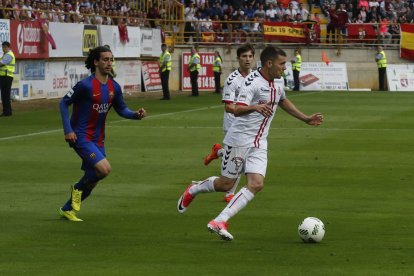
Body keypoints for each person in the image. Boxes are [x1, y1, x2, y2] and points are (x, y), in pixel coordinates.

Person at [177, 45, 324, 241]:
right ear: (269, 63)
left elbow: (282, 101)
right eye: (282, 64)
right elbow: (235, 109)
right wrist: (255, 107)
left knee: (256, 184)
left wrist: (305, 118)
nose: (285, 68)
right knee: (225, 184)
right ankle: (194, 188)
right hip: (239, 139)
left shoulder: (278, 80)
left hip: (260, 142)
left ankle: (220, 220)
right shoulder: (251, 83)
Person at [58, 46, 147, 222]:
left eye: (111, 59)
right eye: (105, 59)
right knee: (104, 169)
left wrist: (135, 115)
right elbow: (63, 103)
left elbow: (122, 109)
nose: (109, 63)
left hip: (98, 139)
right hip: (81, 136)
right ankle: (76, 188)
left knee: (95, 177)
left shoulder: (114, 87)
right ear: (96, 62)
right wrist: (68, 130)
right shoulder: (85, 85)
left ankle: (67, 209)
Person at [204, 44, 255, 203]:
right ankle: (229, 194)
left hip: (249, 125)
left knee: (240, 158)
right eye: (244, 56)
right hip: (233, 123)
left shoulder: (256, 77)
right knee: (238, 160)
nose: (247, 59)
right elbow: (228, 107)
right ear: (238, 59)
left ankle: (218, 152)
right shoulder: (232, 80)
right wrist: (243, 111)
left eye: (250, 56)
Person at [0, 41, 15, 117]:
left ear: (9, 47)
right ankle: (6, 111)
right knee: (4, 95)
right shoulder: (5, 55)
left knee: (5, 95)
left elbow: (2, 63)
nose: (3, 48)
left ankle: (7, 112)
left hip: (6, 76)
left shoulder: (9, 55)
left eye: (5, 47)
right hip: (4, 76)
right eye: (3, 47)